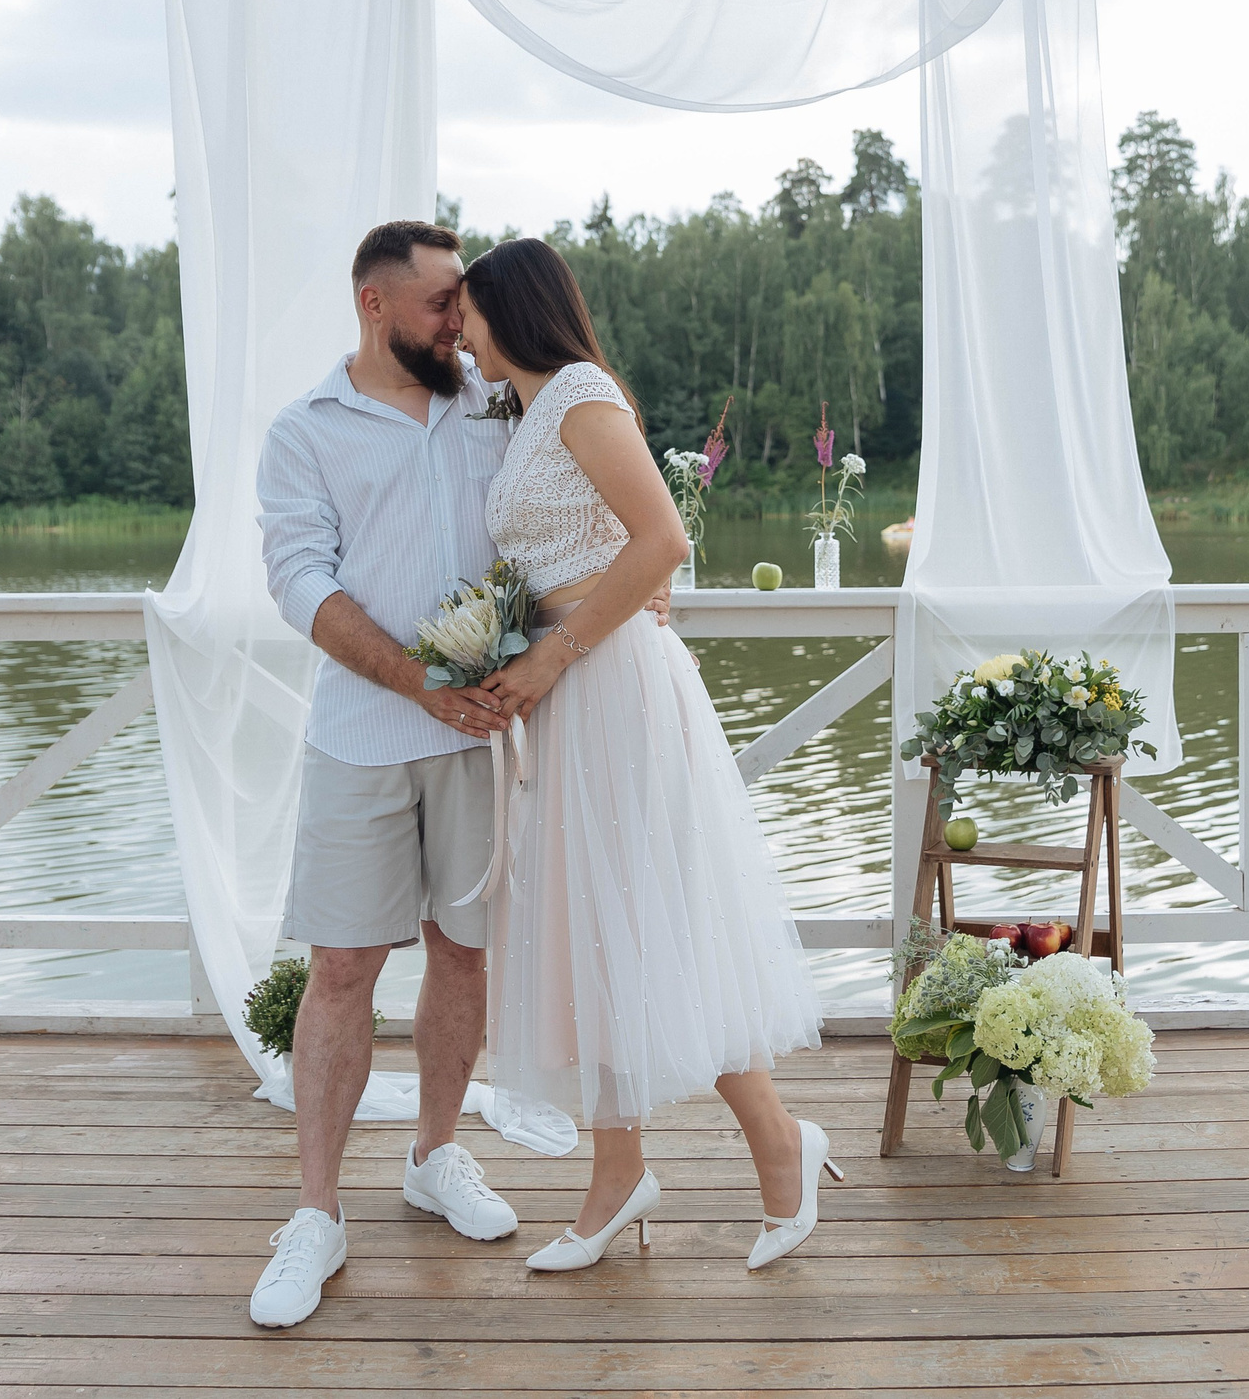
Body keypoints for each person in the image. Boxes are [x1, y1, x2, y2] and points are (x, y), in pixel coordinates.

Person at [460, 237, 835, 1274]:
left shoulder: (581, 392)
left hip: (608, 679)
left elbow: (662, 536)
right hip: (568, 681)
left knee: (657, 915)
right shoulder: (528, 409)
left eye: (470, 315)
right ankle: (617, 1170)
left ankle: (780, 1146)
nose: (461, 333)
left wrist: (553, 654)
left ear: (510, 310)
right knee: (595, 922)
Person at [244, 219, 524, 1329]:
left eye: (462, 300)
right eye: (441, 302)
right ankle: (316, 1213)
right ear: (374, 305)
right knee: (345, 965)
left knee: (463, 953)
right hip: (361, 738)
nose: (460, 319)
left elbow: (564, 521)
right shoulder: (305, 429)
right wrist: (416, 680)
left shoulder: (494, 407)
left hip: (480, 741)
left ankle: (435, 1154)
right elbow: (298, 580)